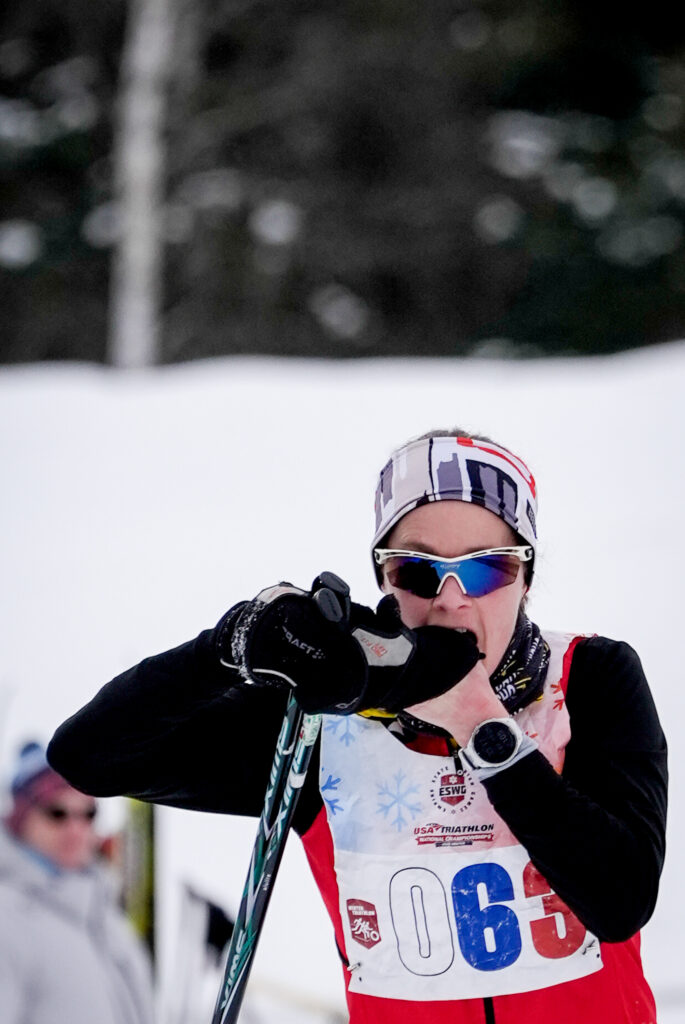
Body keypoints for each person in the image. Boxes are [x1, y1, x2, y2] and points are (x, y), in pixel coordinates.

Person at [48, 428, 667, 1023]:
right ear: (383, 579)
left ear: (526, 578)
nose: (451, 599)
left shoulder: (588, 679)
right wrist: (229, 643)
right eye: (417, 572)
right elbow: (91, 756)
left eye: (486, 570)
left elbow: (620, 898)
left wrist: (481, 726)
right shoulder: (330, 720)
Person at [0, 741, 155, 1024]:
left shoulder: (106, 917)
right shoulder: (8, 917)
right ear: (20, 819)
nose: (76, 828)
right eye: (56, 813)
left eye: (88, 813)